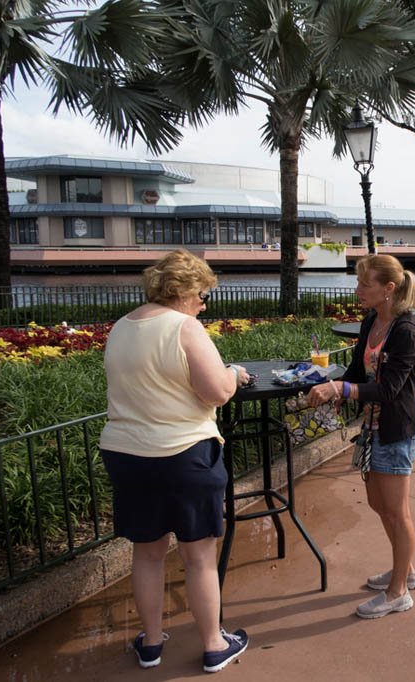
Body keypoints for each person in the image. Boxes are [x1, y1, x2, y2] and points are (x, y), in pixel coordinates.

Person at [99, 249, 250, 673]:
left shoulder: (120, 327)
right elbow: (216, 392)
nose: (204, 304)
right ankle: (213, 644)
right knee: (198, 556)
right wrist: (233, 372)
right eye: (203, 294)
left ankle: (150, 643)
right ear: (183, 290)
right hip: (182, 453)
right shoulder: (185, 328)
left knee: (147, 554)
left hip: (126, 455)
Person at [307, 254, 415, 617]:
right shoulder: (371, 321)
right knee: (379, 505)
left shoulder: (407, 332)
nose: (358, 290)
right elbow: (359, 372)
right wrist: (321, 380)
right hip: (373, 427)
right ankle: (405, 568)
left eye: (365, 284)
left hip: (395, 430)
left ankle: (399, 592)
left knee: (396, 512)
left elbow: (388, 389)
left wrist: (342, 390)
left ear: (388, 289)